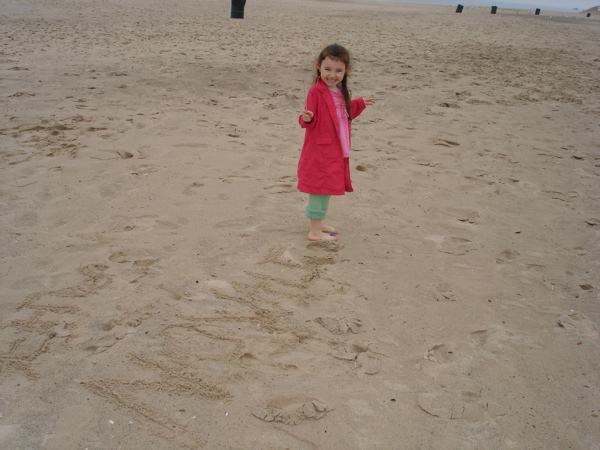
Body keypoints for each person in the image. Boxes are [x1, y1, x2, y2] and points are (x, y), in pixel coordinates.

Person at [298, 44, 375, 241]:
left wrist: (359, 103)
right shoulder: (316, 91)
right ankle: (314, 231)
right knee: (319, 186)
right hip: (321, 149)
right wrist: (307, 118)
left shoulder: (341, 90)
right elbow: (309, 119)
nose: (332, 74)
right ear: (319, 67)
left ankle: (319, 222)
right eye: (328, 69)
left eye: (338, 70)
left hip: (337, 146)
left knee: (327, 186)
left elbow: (343, 115)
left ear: (346, 71)